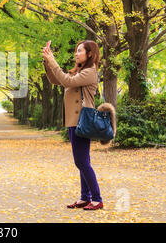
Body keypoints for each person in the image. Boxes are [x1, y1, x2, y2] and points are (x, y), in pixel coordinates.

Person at [42, 39, 104, 211]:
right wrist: (48, 62)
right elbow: (58, 80)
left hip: (82, 121)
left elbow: (67, 81)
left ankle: (97, 198)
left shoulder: (90, 72)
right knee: (83, 161)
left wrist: (53, 60)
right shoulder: (79, 72)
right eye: (76, 51)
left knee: (82, 162)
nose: (76, 54)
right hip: (74, 120)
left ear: (89, 54)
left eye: (79, 51)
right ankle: (85, 197)